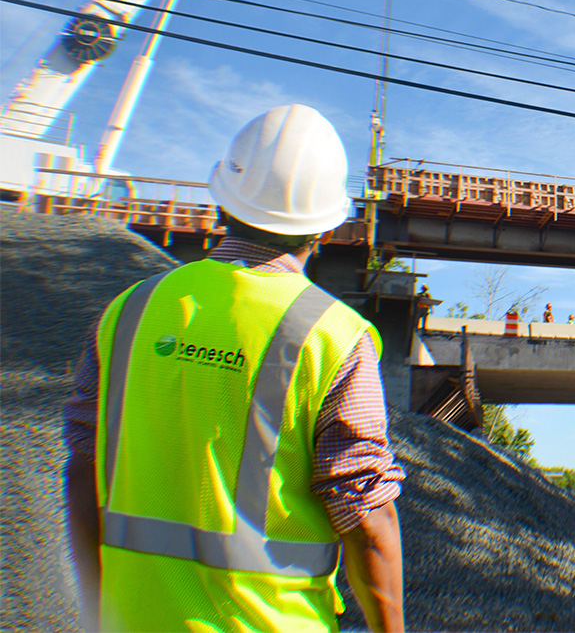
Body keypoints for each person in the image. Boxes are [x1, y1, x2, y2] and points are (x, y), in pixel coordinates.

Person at [63, 105, 405, 632]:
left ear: (223, 201)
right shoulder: (334, 336)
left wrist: (95, 608)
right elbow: (364, 513)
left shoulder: (129, 310)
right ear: (326, 227)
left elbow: (84, 467)